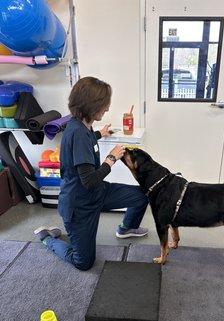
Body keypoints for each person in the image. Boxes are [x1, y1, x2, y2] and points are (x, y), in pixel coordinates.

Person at [34, 77, 148, 270]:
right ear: (92, 105)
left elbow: (86, 142)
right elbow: (89, 180)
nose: (108, 108)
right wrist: (111, 159)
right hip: (79, 206)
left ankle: (126, 228)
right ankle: (48, 239)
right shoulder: (77, 132)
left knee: (142, 196)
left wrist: (99, 134)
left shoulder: (83, 126)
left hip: (98, 193)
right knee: (84, 262)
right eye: (105, 104)